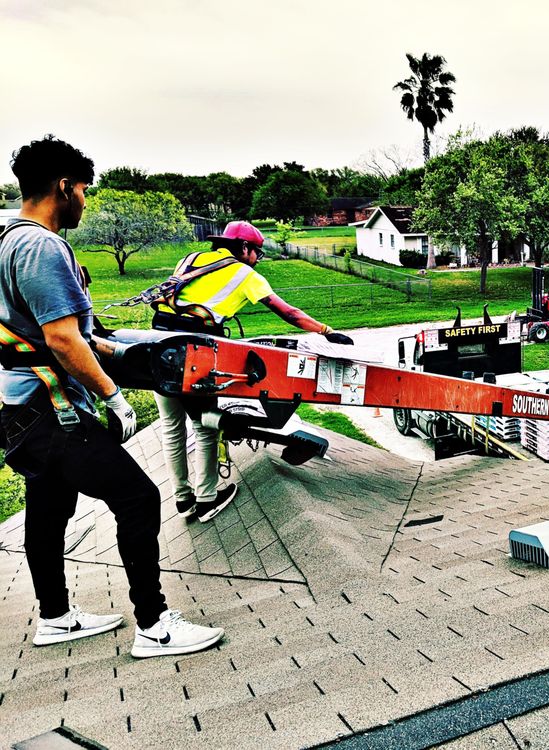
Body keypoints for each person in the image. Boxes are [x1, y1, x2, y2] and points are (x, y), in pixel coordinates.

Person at [1, 135, 222, 657]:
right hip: (50, 408)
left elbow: (62, 330)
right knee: (138, 498)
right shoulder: (42, 245)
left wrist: (121, 350)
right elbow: (60, 338)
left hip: (18, 408)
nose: (84, 199)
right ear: (63, 185)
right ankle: (155, 626)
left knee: (49, 509)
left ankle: (56, 617)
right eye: (82, 189)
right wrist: (112, 394)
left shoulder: (7, 239)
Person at [151, 220, 353, 523]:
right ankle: (206, 499)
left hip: (158, 345)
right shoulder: (245, 273)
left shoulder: (190, 260)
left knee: (171, 427)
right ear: (244, 248)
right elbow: (288, 312)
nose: (258, 258)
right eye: (256, 251)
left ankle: (182, 498)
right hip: (195, 351)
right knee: (205, 426)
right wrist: (326, 331)